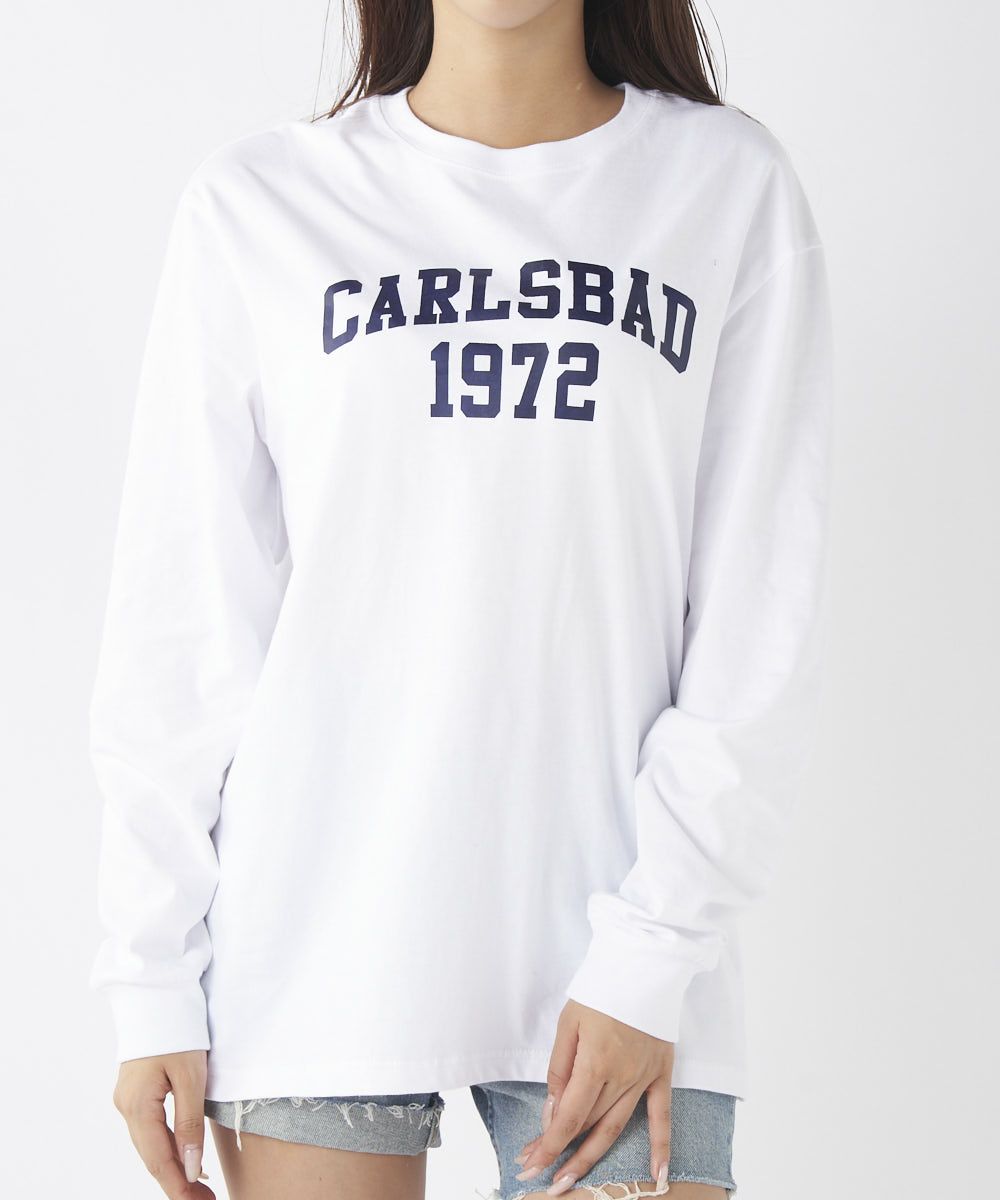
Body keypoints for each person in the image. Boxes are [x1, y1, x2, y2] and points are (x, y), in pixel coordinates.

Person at [86, 0, 835, 1196]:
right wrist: (150, 974)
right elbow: (184, 623)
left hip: (625, 949)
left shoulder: (723, 186)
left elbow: (760, 623)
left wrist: (650, 953)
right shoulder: (261, 202)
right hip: (313, 946)